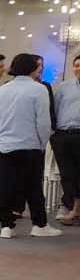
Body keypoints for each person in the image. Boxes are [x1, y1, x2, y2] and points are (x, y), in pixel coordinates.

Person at [0, 52, 57, 238]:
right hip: (31, 146)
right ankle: (39, 225)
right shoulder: (39, 89)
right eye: (38, 66)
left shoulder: (4, 89)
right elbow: (43, 122)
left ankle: (6, 226)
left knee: (6, 185)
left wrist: (1, 138)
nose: (40, 69)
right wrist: (42, 143)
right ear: (32, 68)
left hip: (6, 146)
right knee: (33, 187)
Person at [50, 52, 80, 224]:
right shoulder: (64, 87)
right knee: (67, 173)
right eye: (76, 65)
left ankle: (75, 210)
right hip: (63, 135)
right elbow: (55, 109)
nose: (78, 69)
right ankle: (68, 206)